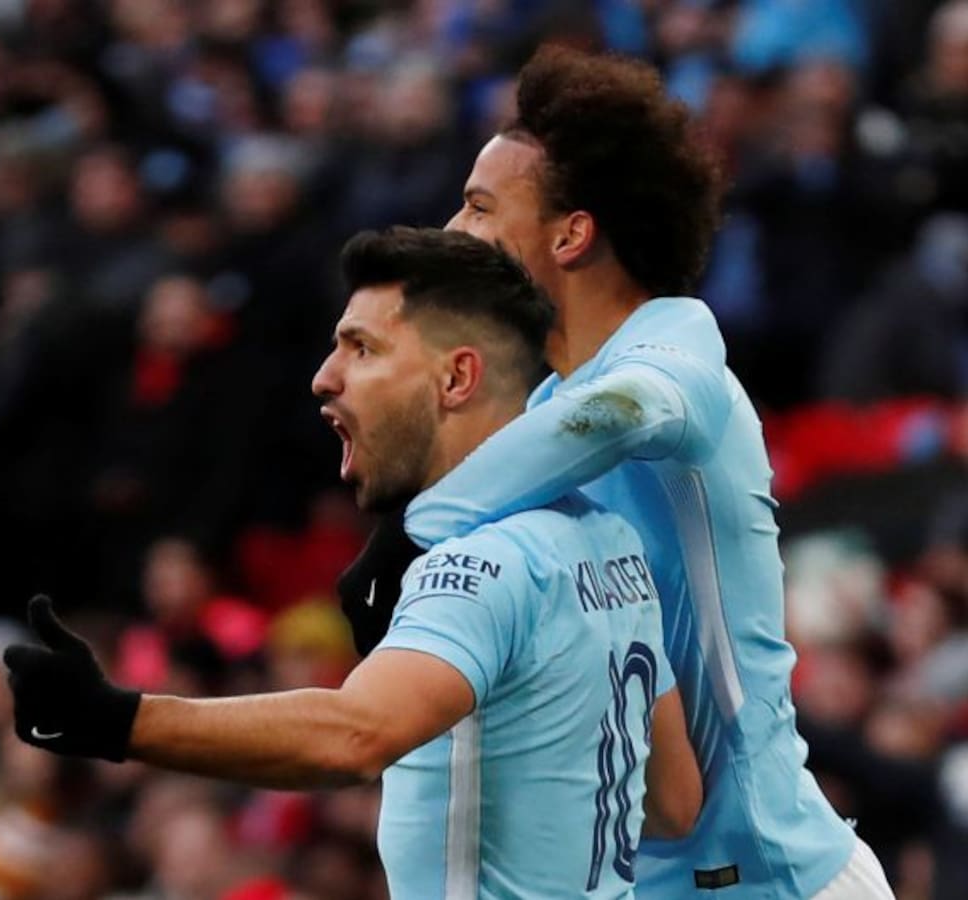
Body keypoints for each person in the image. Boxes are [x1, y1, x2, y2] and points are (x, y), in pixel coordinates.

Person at [340, 47, 894, 899]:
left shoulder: (675, 350)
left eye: (480, 207)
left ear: (571, 234)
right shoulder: (546, 408)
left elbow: (625, 412)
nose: (453, 230)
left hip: (777, 878)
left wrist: (413, 530)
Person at [4, 227, 700, 898]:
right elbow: (672, 801)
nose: (323, 378)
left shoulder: (481, 562)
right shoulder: (607, 540)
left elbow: (354, 735)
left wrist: (116, 720)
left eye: (361, 348)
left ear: (457, 376)